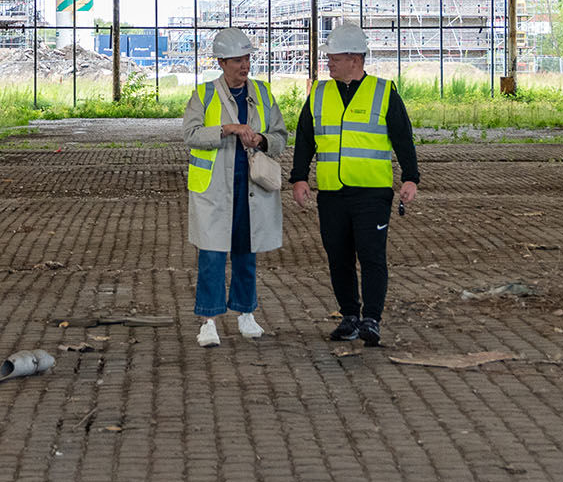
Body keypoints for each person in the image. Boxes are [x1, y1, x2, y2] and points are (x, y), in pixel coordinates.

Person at [289, 23, 420, 345]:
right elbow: (305, 139)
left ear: (353, 59)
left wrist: (411, 177)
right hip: (332, 193)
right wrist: (299, 178)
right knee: (339, 257)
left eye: (333, 58)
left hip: (372, 193)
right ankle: (349, 316)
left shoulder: (384, 92)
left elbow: (403, 138)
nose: (328, 63)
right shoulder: (319, 93)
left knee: (372, 256)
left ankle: (371, 320)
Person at [180, 26, 287, 347]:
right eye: (238, 60)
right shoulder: (204, 95)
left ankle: (246, 313)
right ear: (222, 63)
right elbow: (190, 134)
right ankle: (208, 320)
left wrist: (262, 138)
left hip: (251, 187)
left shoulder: (263, 93)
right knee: (212, 254)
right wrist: (226, 129)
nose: (245, 65)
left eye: (247, 58)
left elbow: (281, 137)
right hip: (214, 190)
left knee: (246, 251)